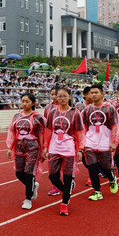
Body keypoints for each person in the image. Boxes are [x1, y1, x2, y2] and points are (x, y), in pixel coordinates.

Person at [42, 87, 84, 216]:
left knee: (67, 177)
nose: (62, 99)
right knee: (52, 175)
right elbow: (48, 130)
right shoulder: (52, 112)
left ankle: (64, 203)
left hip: (69, 148)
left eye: (64, 96)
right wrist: (45, 146)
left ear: (69, 97)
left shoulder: (75, 113)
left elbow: (79, 132)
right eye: (59, 96)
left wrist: (80, 149)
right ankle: (66, 189)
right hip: (55, 147)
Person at [6, 93, 46, 210]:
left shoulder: (38, 117)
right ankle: (33, 185)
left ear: (33, 103)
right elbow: (12, 132)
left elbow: (41, 134)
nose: (24, 104)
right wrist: (10, 147)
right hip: (19, 146)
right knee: (19, 172)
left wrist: (43, 149)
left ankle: (28, 199)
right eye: (23, 101)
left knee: (29, 173)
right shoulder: (17, 116)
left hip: (32, 147)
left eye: (27, 101)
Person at [81, 84, 119, 201]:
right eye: (91, 93)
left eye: (96, 92)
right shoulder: (87, 110)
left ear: (102, 94)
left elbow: (115, 126)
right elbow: (84, 127)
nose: (93, 95)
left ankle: (111, 178)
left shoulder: (109, 108)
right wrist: (82, 142)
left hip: (105, 141)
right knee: (91, 166)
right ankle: (97, 191)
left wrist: (113, 141)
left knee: (105, 166)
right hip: (90, 141)